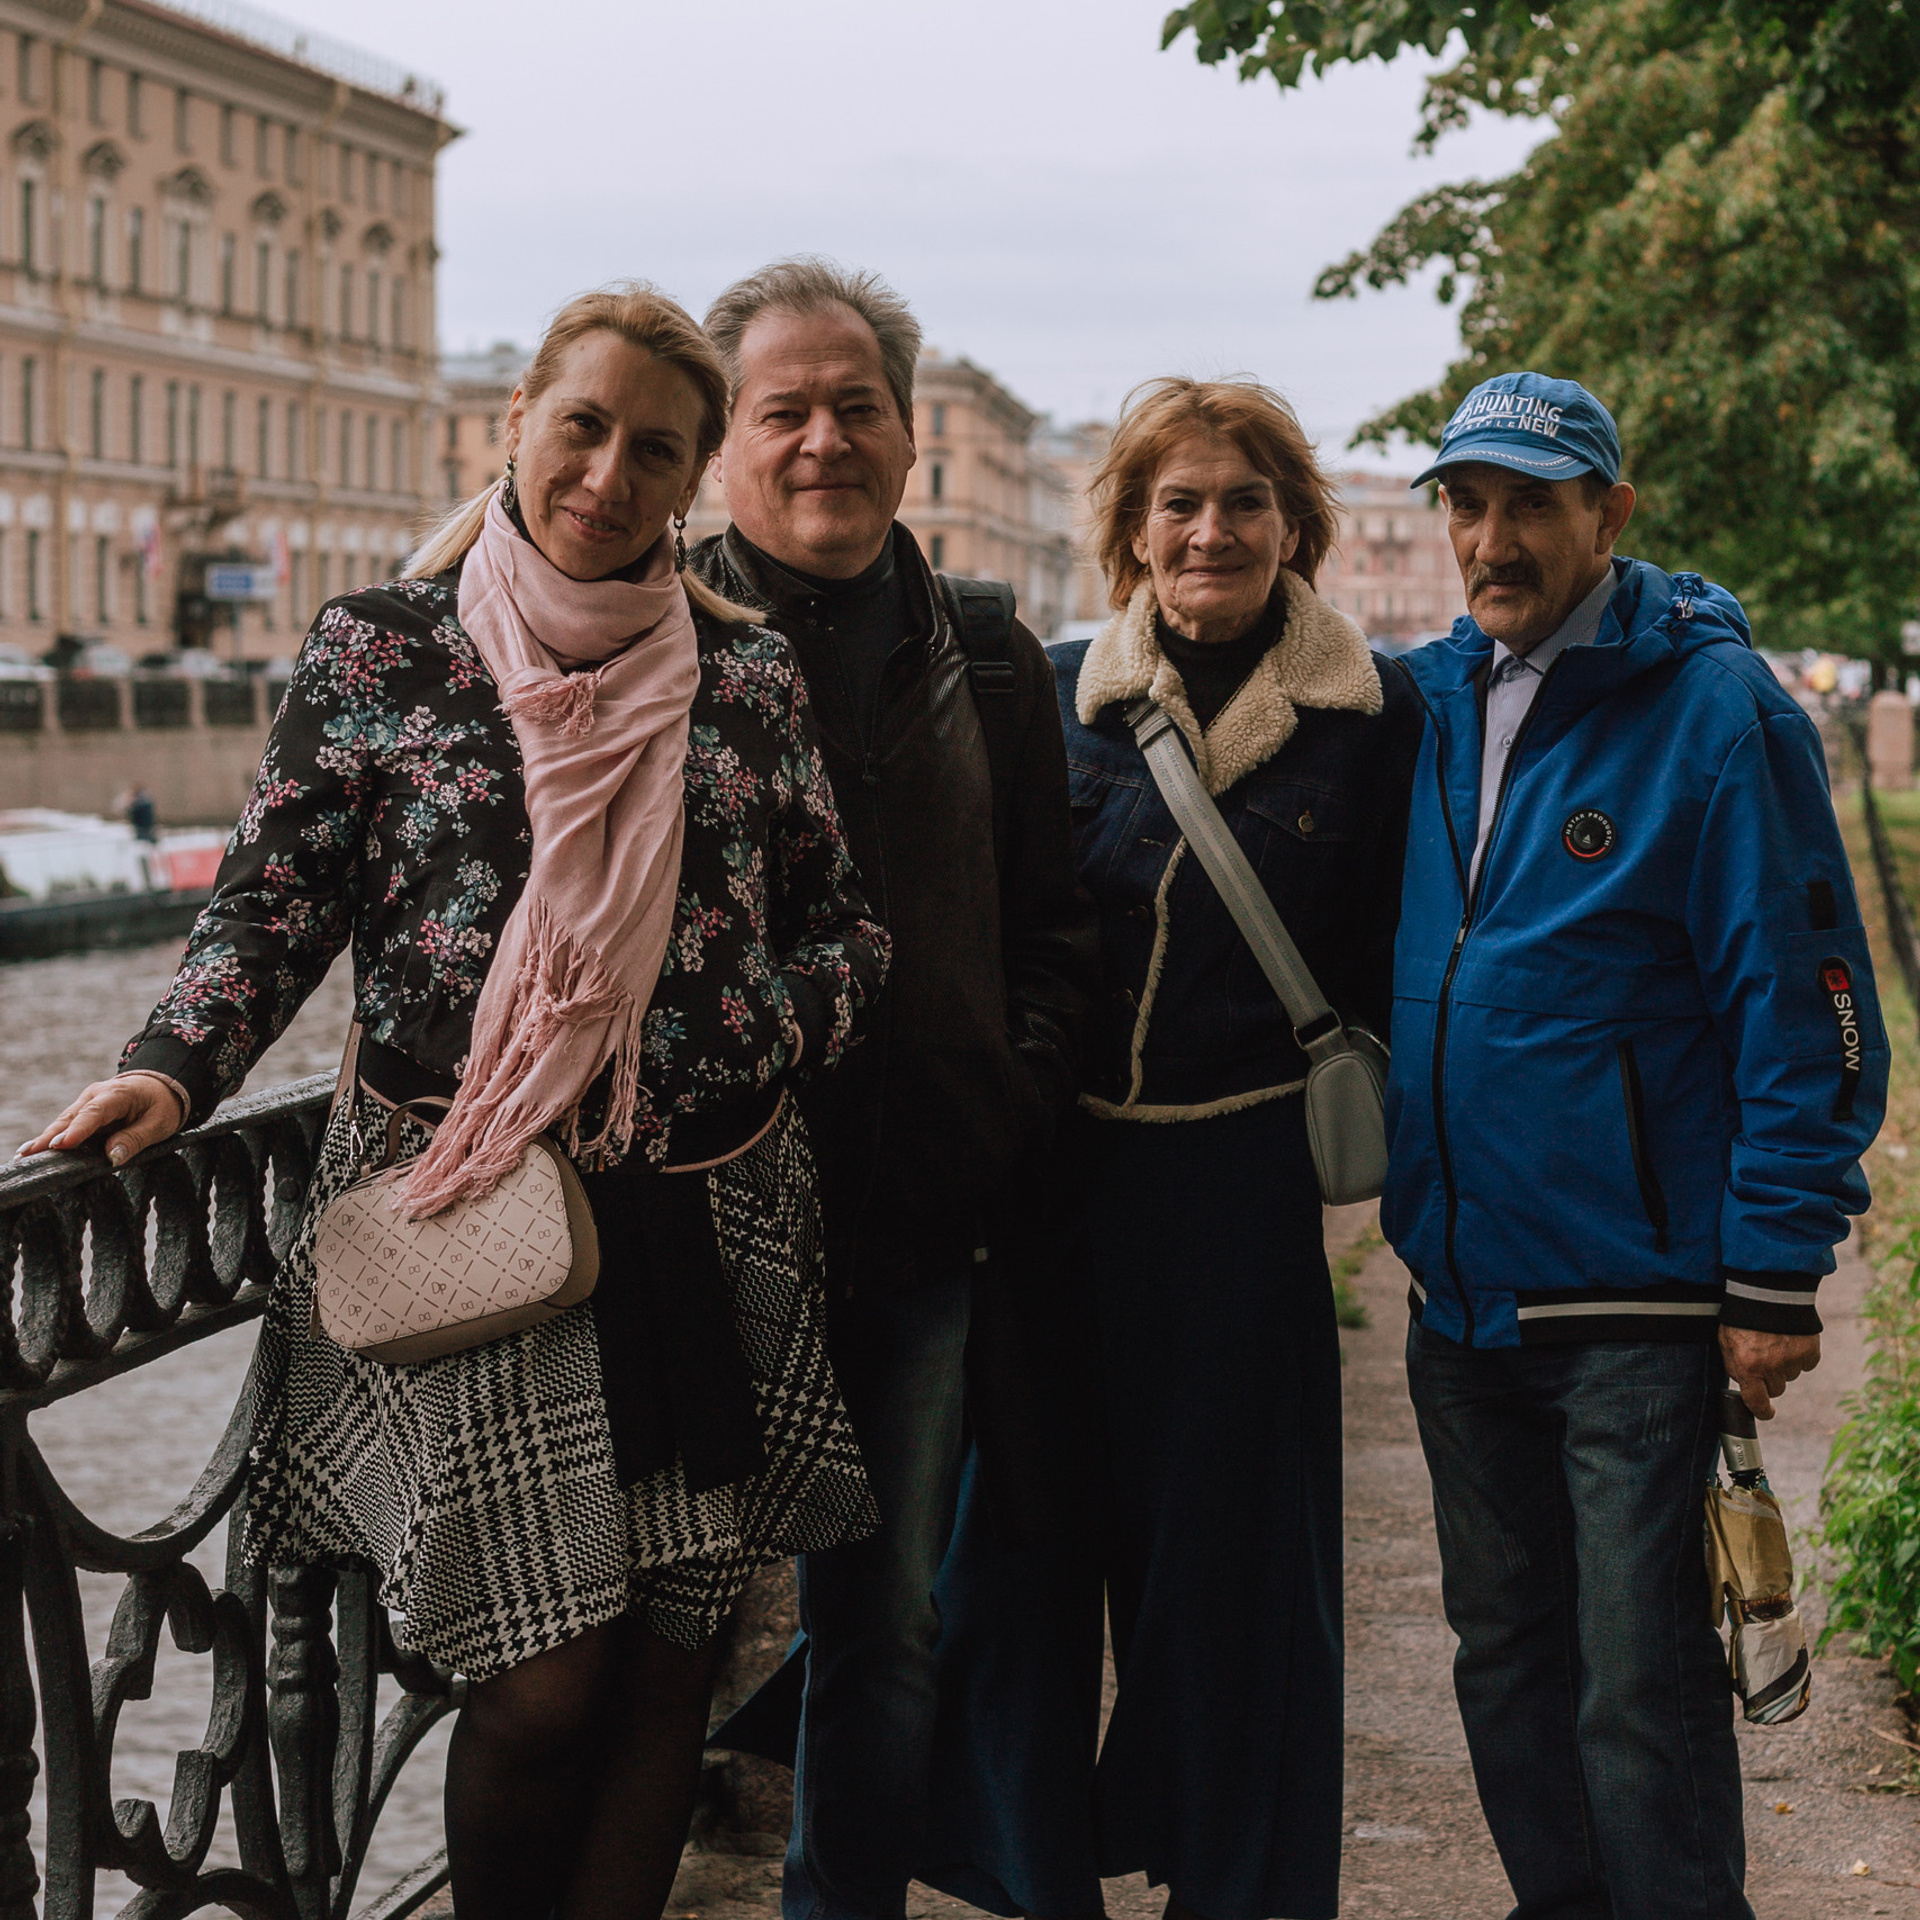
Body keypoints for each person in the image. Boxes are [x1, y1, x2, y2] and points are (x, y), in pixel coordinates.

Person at [20, 283, 890, 1920]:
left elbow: (846, 926)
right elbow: (271, 908)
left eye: (654, 449)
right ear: (516, 425)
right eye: (583, 427)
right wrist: (168, 1067)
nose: (608, 476)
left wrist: (763, 1025)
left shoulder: (746, 674)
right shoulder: (385, 649)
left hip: (709, 1212)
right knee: (543, 1670)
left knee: (664, 1655)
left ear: (694, 479)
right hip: (470, 1217)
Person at [1384, 370, 1888, 1919]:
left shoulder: (1725, 714)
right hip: (1461, 1298)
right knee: (1508, 1661)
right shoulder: (1427, 698)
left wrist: (1775, 1272)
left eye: (1532, 502)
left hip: (1637, 1298)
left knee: (1642, 1683)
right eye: (1468, 504)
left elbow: (1808, 1012)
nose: (1493, 537)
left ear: (1611, 511)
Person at [924, 377, 1422, 1920]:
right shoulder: (1046, 691)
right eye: (1178, 504)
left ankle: (1243, 1888)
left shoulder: (1380, 720)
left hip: (1240, 1186)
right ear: (1132, 534)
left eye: (1245, 503)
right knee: (1015, 1566)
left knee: (1239, 1584)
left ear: (1297, 527)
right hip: (1054, 1196)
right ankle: (1037, 1883)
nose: (1211, 530)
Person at [687, 257, 1097, 1920]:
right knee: (647, 1628)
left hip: (919, 1231)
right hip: (692, 1234)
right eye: (781, 409)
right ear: (725, 441)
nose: (822, 440)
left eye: (856, 406)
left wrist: (1012, 1090)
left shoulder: (990, 656)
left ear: (912, 438)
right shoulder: (651, 629)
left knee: (888, 1626)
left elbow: (1053, 924)